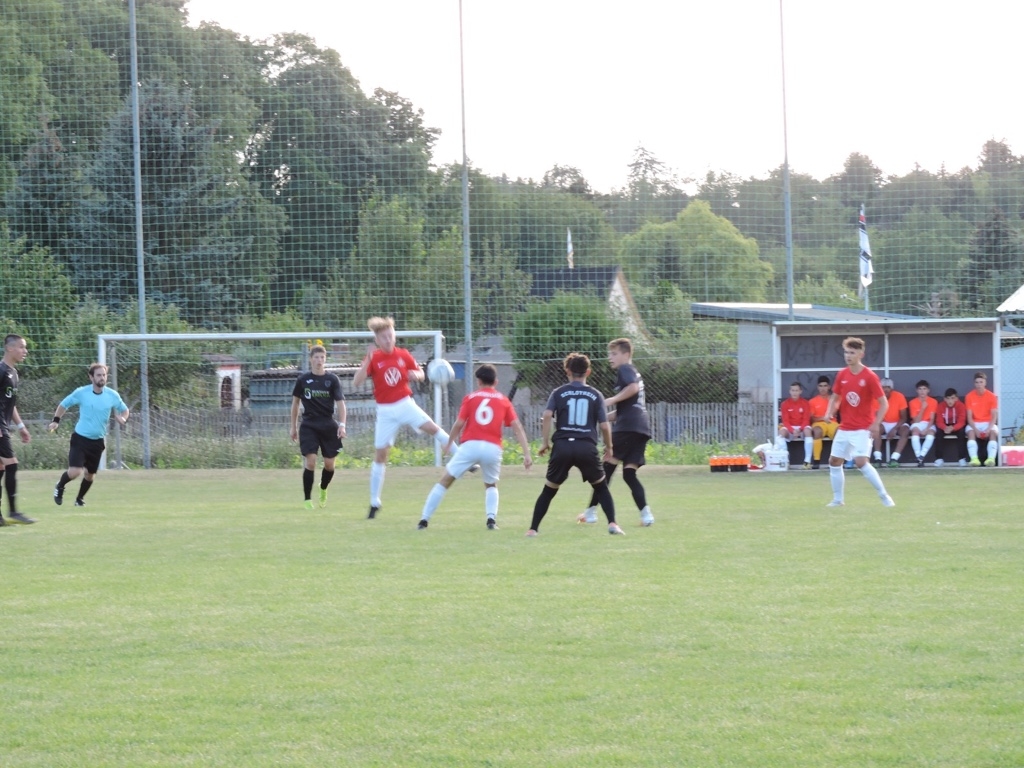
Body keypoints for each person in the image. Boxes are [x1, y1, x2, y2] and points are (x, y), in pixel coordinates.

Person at [352, 316, 456, 518]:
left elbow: (420, 373)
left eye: (390, 335)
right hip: (385, 410)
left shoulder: (403, 354)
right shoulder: (373, 358)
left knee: (433, 428)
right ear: (377, 340)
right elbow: (357, 382)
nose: (388, 340)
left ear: (394, 336)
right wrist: (367, 362)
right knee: (381, 454)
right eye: (384, 337)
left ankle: (462, 457)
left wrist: (416, 375)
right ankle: (374, 502)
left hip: (405, 404)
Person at [418, 364, 532, 530]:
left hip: (470, 446)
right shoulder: (503, 400)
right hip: (493, 447)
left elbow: (459, 424)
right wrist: (527, 453)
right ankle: (491, 520)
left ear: (478, 381)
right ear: (496, 381)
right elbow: (517, 427)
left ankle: (424, 520)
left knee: (445, 481)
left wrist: (449, 443)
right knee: (491, 484)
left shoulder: (471, 398)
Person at [527, 353, 622, 536]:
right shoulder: (596, 395)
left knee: (549, 490)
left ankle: (533, 529)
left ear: (567, 371)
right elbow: (604, 425)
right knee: (601, 487)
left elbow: (547, 415)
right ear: (588, 372)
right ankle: (612, 524)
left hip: (562, 446)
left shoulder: (558, 392)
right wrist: (609, 447)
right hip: (586, 446)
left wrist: (545, 442)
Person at [579, 338, 654, 527]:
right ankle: (646, 516)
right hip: (640, 427)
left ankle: (591, 512)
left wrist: (610, 400)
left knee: (606, 470)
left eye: (614, 354)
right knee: (629, 474)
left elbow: (632, 388)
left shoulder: (625, 369)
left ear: (626, 354)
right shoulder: (635, 372)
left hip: (627, 428)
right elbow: (625, 410)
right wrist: (601, 417)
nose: (610, 357)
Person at [823, 337, 895, 508]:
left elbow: (884, 403)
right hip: (845, 427)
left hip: (863, 428)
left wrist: (876, 423)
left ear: (861, 354)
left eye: (852, 352)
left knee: (861, 462)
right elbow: (835, 397)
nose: (848, 356)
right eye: (846, 352)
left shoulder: (869, 376)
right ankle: (838, 500)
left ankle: (884, 496)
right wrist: (829, 412)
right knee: (834, 461)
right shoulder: (842, 374)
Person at [48, 363, 130, 507]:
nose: (102, 378)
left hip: (97, 441)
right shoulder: (82, 392)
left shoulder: (112, 395)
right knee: (75, 472)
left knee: (90, 475)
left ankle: (79, 499)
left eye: (104, 375)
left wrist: (123, 418)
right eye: (98, 375)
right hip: (80, 439)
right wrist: (56, 421)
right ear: (91, 377)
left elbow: (125, 410)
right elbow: (64, 404)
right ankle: (60, 486)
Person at [290, 344, 346, 510]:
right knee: (311, 461)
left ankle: (323, 488)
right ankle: (307, 499)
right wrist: (293, 427)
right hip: (309, 425)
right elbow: (295, 404)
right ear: (311, 359)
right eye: (316, 357)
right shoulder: (303, 380)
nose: (319, 360)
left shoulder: (332, 380)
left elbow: (341, 404)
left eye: (322, 357)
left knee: (329, 465)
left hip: (328, 425)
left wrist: (342, 425)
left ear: (325, 359)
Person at [0, 334, 34, 525]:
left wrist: (21, 427)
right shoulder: (0, 370)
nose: (25, 351)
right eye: (21, 347)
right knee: (11, 464)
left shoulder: (13, 373)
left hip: (5, 426)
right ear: (9, 348)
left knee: (1, 468)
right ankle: (13, 512)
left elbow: (10, 404)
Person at [872, 377, 910, 467]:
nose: (885, 389)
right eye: (883, 387)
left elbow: (904, 418)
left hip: (897, 422)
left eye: (888, 387)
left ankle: (894, 459)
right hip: (883, 422)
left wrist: (894, 429)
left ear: (891, 388)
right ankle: (878, 459)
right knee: (876, 429)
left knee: (906, 430)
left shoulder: (899, 396)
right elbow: (875, 417)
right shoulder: (875, 398)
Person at [965, 371, 1000, 466]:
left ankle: (991, 459)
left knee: (993, 433)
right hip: (974, 423)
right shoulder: (969, 396)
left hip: (988, 423)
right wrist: (976, 430)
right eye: (977, 382)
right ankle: (974, 459)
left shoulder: (992, 396)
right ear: (974, 383)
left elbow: (994, 416)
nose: (979, 384)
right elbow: (969, 417)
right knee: (970, 433)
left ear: (985, 383)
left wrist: (988, 429)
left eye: (981, 382)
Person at [779, 381, 814, 469]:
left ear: (800, 391)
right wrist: (792, 430)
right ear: (790, 391)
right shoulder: (785, 404)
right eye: (793, 390)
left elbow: (806, 420)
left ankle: (807, 462)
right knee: (781, 432)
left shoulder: (805, 403)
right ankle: (785, 461)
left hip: (802, 427)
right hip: (790, 427)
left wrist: (799, 429)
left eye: (796, 390)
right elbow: (785, 421)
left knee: (808, 431)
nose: (794, 393)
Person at [809, 375, 838, 469]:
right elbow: (812, 418)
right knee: (817, 431)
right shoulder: (812, 401)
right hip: (819, 423)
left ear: (829, 387)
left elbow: (835, 412)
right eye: (820, 386)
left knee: (839, 432)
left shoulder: (833, 399)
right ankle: (816, 461)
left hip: (832, 422)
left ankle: (837, 460)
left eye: (825, 386)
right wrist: (823, 418)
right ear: (817, 387)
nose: (823, 388)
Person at [907, 380, 938, 467]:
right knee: (915, 431)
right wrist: (923, 408)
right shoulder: (912, 402)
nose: (922, 391)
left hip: (928, 423)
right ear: (917, 391)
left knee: (931, 433)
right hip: (918, 423)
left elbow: (932, 419)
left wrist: (926, 429)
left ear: (928, 390)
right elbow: (916, 421)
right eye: (920, 389)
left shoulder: (933, 402)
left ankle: (921, 456)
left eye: (924, 389)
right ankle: (918, 456)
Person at [934, 387, 968, 467]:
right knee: (938, 433)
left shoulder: (961, 405)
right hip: (944, 425)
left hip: (956, 425)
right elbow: (939, 421)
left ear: (956, 398)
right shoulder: (940, 406)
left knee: (962, 433)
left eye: (952, 398)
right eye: (948, 398)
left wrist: (953, 428)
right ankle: (939, 459)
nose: (950, 401)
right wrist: (944, 428)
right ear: (944, 399)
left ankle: (962, 458)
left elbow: (962, 421)